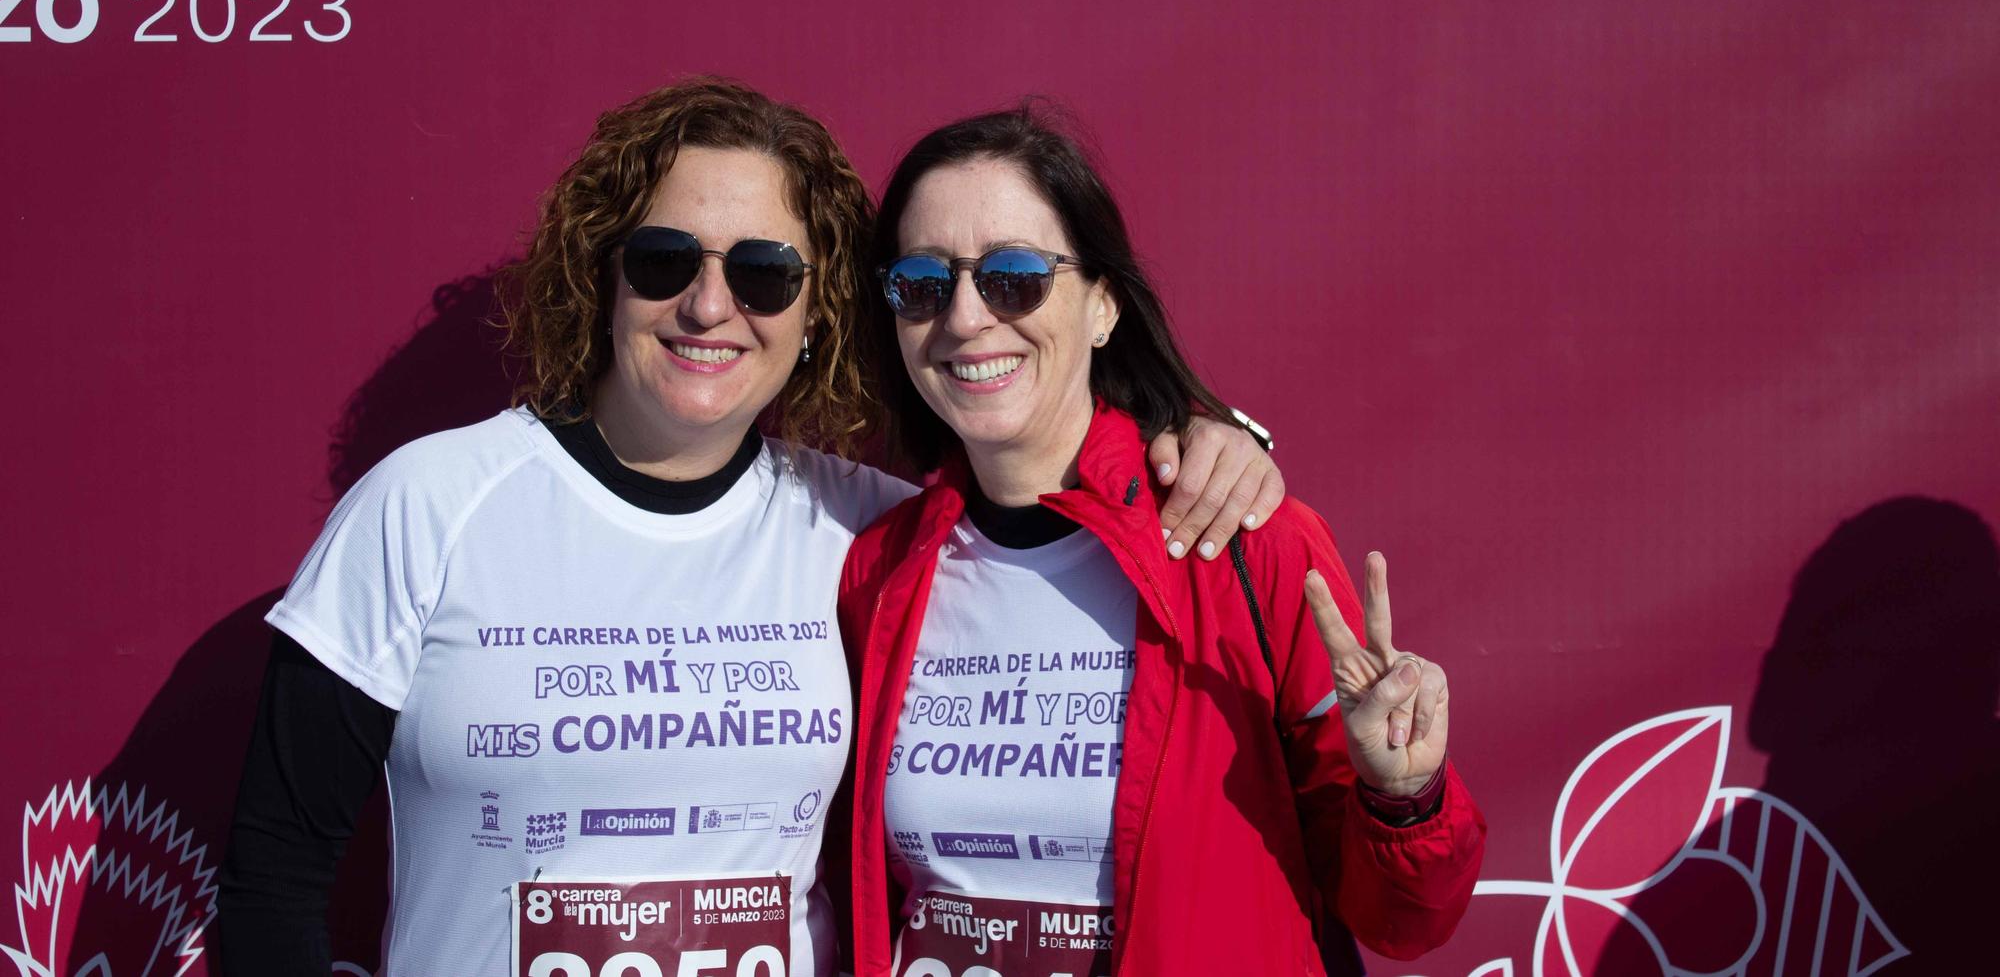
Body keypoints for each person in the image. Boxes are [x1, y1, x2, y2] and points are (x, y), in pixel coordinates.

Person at [217, 77, 1284, 975]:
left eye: (764, 273)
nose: (709, 306)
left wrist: (1212, 438)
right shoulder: (428, 506)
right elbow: (274, 880)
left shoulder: (867, 531)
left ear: (818, 307)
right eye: (665, 260)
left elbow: (1048, 472)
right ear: (604, 273)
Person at [838, 105, 1488, 976]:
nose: (964, 318)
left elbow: (1404, 922)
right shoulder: (876, 569)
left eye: (1015, 276)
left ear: (1102, 305)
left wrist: (1403, 798)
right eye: (921, 282)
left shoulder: (1242, 541)